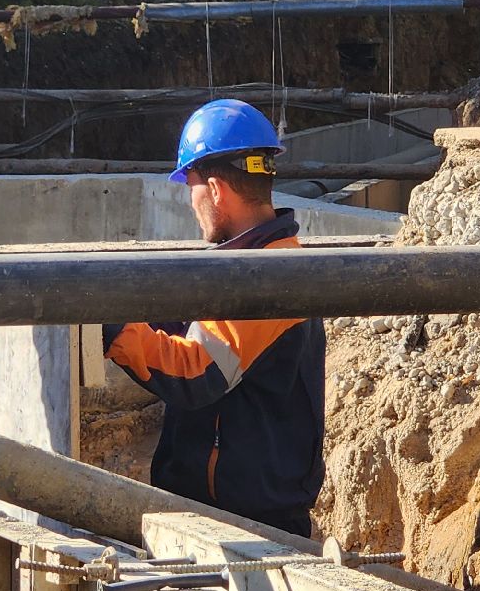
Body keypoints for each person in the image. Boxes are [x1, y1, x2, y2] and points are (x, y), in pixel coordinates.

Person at [102, 100, 326, 536]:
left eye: (191, 185)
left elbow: (196, 370)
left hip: (253, 529)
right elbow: (205, 334)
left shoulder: (265, 281)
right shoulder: (257, 264)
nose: (191, 201)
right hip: (233, 514)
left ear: (217, 189)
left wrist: (112, 327)